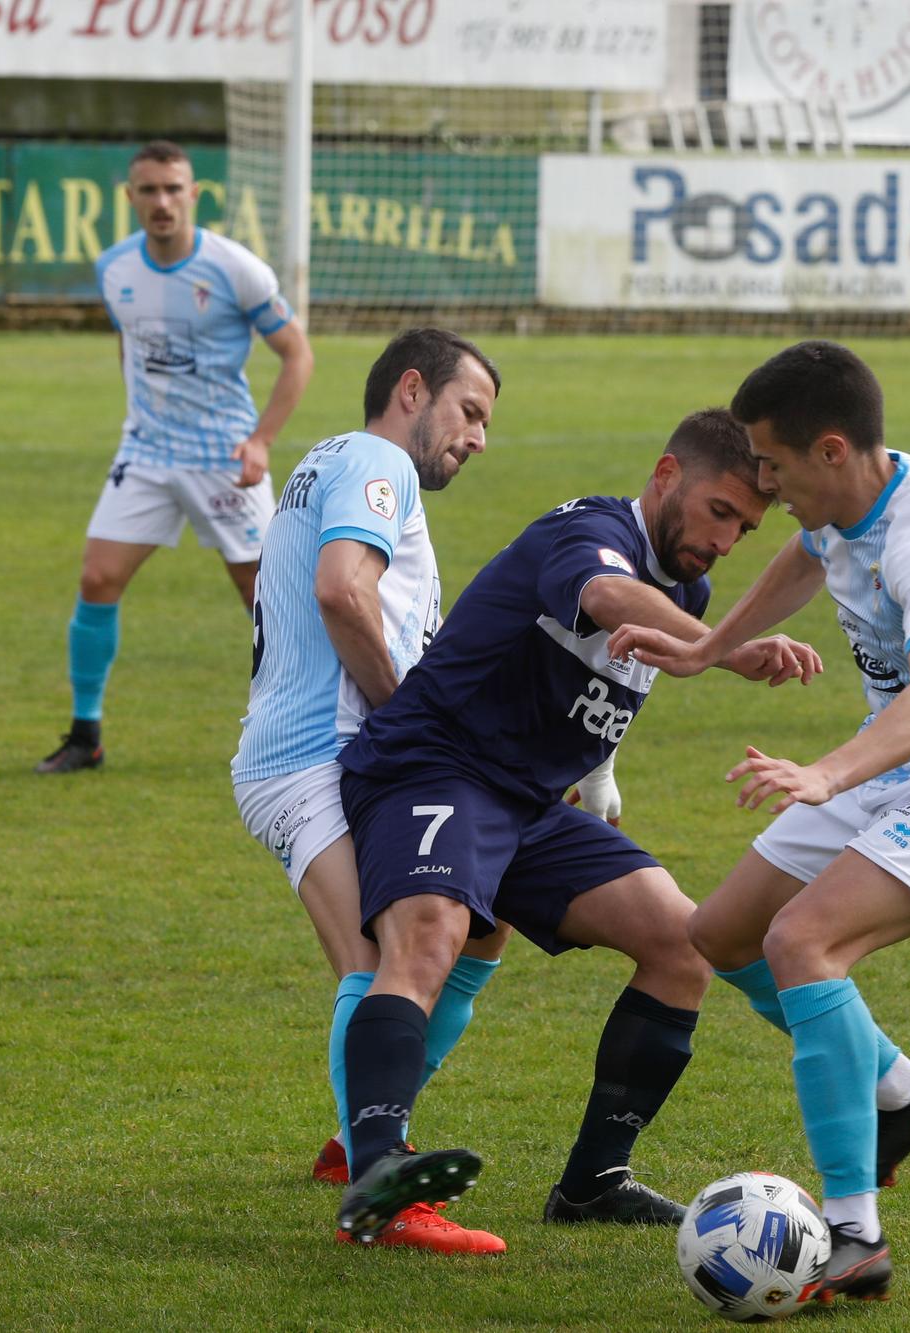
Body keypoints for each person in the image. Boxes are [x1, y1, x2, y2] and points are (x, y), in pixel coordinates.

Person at [607, 340, 910, 1305]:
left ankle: (854, 1235)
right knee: (719, 932)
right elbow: (805, 558)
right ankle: (901, 1093)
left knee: (800, 942)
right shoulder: (843, 506)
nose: (762, 484)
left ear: (829, 450)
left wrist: (826, 771)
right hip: (896, 763)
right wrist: (706, 649)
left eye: (770, 464)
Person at [329, 411, 822, 1244]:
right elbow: (603, 596)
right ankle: (375, 1167)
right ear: (667, 474)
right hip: (434, 765)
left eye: (746, 525)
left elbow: (601, 683)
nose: (729, 539)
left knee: (684, 942)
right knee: (432, 933)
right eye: (720, 511)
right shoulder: (589, 531)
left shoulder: (686, 589)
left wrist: (599, 778)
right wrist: (723, 646)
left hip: (528, 805)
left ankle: (594, 1181)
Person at [232, 328, 519, 1254]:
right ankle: (380, 1179)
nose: (477, 437)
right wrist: (411, 721)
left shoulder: (337, 463)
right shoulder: (372, 460)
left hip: (332, 750)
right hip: (312, 756)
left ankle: (355, 1139)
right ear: (411, 389)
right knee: (381, 956)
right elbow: (342, 593)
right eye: (469, 412)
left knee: (478, 927)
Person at [38, 139, 314, 774]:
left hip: (224, 456)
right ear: (130, 197)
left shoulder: (235, 269)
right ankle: (86, 735)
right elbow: (130, 343)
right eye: (148, 190)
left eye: (172, 189)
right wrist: (138, 412)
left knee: (266, 600)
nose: (161, 202)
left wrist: (262, 440)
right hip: (148, 452)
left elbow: (297, 355)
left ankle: (307, 732)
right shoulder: (114, 269)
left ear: (193, 195)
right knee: (97, 579)